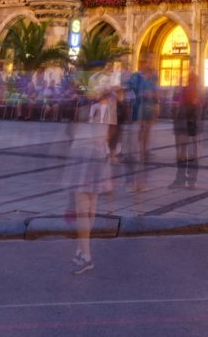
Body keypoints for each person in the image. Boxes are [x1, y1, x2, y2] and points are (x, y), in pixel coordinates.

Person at [66, 83, 116, 275]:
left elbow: (85, 133)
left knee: (82, 208)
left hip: (85, 158)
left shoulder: (93, 108)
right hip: (98, 157)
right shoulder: (108, 107)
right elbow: (109, 135)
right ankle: (82, 249)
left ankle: (86, 255)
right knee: (91, 206)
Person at [171, 73, 204, 187]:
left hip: (184, 123)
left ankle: (182, 179)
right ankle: (190, 180)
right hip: (190, 123)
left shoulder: (187, 91)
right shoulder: (197, 92)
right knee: (192, 151)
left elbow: (176, 106)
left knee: (183, 151)